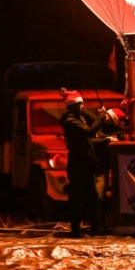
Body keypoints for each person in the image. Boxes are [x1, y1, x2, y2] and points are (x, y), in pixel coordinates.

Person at [59, 88, 106, 237]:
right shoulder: (70, 121)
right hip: (77, 164)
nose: (83, 107)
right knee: (77, 198)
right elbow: (90, 131)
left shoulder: (79, 115)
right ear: (73, 107)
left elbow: (91, 120)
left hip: (86, 163)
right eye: (80, 105)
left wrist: (88, 112)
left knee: (92, 197)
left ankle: (95, 227)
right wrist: (101, 117)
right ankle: (75, 229)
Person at [91, 108, 127, 233]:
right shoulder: (97, 127)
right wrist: (107, 140)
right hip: (89, 166)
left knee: (99, 196)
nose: (105, 116)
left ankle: (99, 226)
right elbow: (90, 141)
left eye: (108, 116)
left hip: (102, 168)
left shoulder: (118, 133)